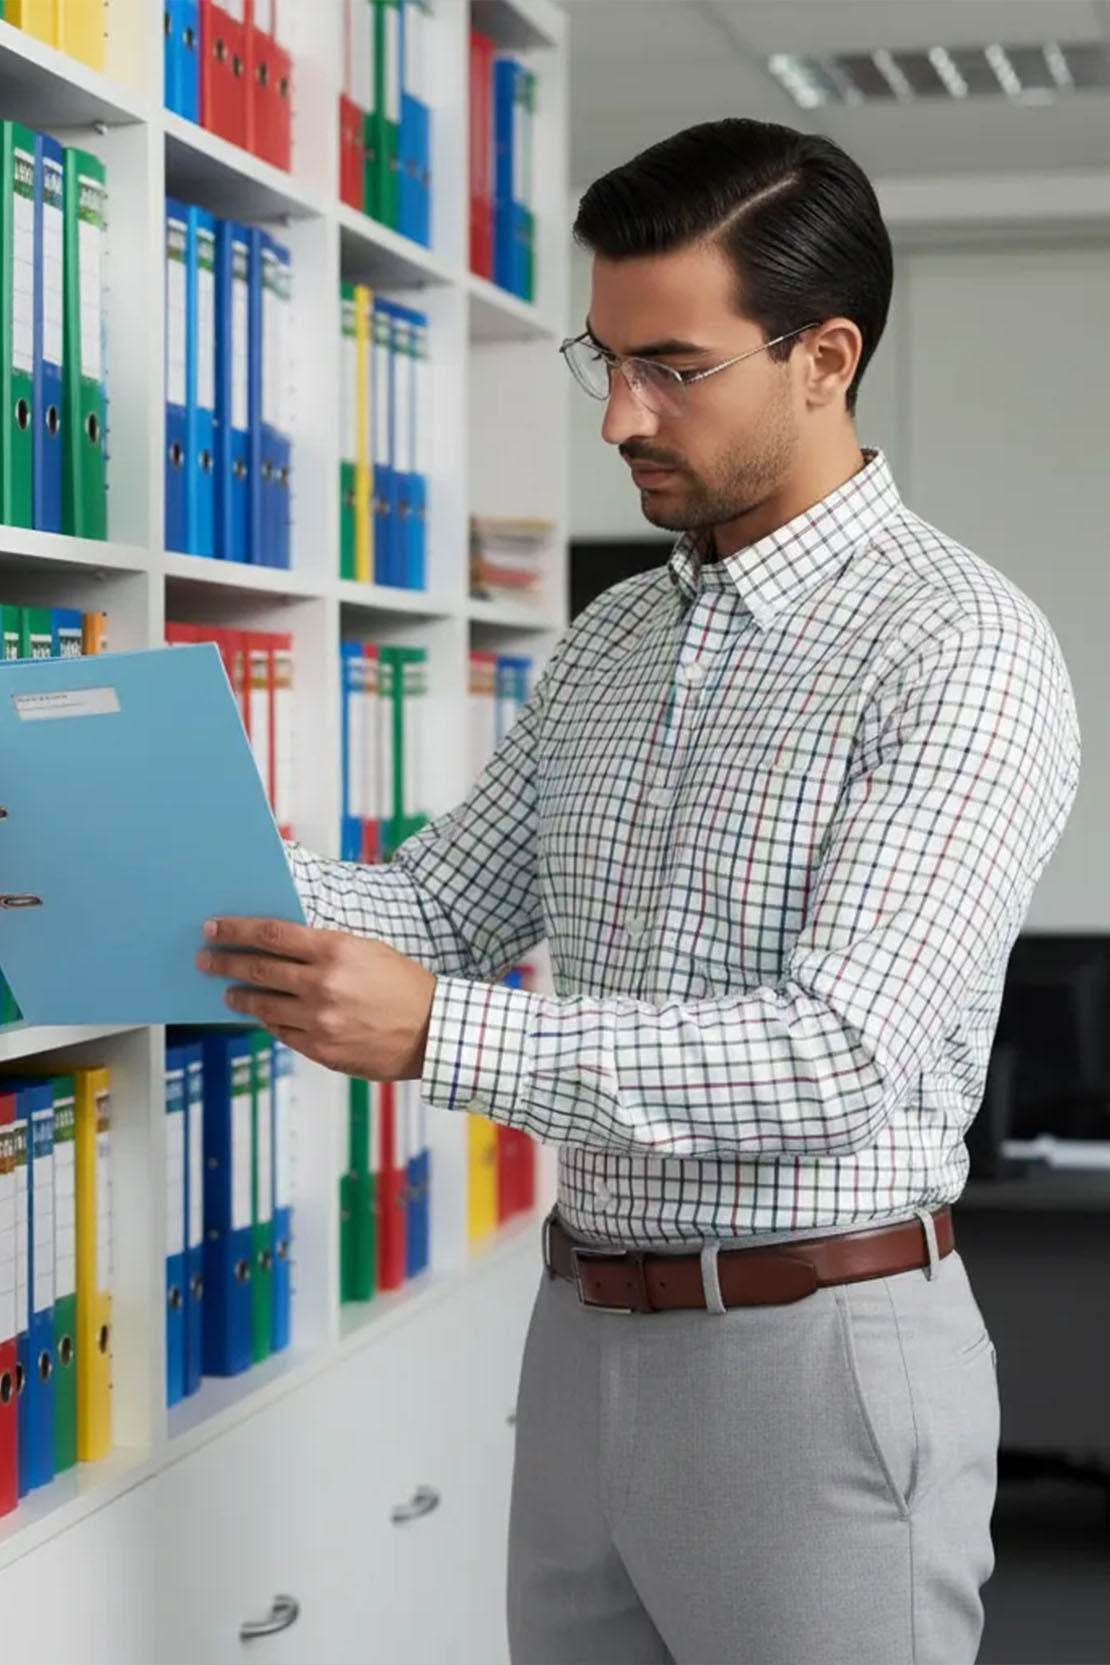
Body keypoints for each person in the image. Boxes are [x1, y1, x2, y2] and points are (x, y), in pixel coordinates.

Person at [197, 119, 1080, 1665]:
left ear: (823, 354)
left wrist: (441, 1038)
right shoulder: (614, 638)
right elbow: (436, 908)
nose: (619, 414)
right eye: (600, 357)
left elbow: (834, 1052)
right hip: (588, 1333)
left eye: (671, 365)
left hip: (814, 1353)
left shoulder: (958, 648)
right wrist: (194, 858)